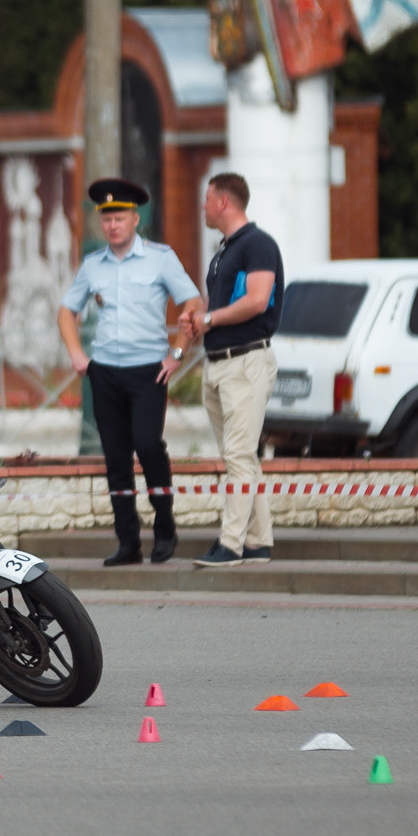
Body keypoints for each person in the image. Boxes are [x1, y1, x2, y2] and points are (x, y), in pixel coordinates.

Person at [57, 177, 204, 564]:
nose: (112, 226)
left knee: (148, 444)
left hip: (148, 371)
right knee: (115, 456)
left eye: (119, 218)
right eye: (106, 219)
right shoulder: (93, 265)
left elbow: (192, 303)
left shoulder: (160, 257)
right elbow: (66, 311)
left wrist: (177, 353)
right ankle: (127, 541)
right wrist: (77, 354)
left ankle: (165, 526)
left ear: (135, 219)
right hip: (105, 371)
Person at [187, 172, 282, 566]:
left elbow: (259, 300)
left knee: (240, 456)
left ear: (224, 201)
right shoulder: (225, 250)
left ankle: (231, 545)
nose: (204, 206)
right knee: (241, 457)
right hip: (220, 364)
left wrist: (209, 320)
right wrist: (200, 322)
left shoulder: (258, 245)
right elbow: (220, 309)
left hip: (245, 362)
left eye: (207, 198)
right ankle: (259, 541)